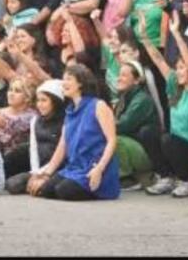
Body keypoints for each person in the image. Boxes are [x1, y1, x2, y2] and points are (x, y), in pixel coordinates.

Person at [26, 64, 120, 201]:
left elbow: (112, 140)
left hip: (94, 166)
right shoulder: (69, 110)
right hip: (75, 167)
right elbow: (62, 146)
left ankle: (97, 188)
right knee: (44, 189)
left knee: (64, 191)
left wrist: (99, 169)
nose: (64, 83)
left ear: (81, 83)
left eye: (69, 79)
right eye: (64, 79)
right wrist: (45, 174)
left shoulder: (98, 105)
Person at [140, 15, 188, 199]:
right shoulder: (173, 86)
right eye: (177, 67)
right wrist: (144, 36)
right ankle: (165, 178)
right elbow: (157, 59)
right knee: (148, 133)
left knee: (168, 140)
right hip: (174, 149)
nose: (179, 71)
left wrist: (176, 34)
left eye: (182, 67)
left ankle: (186, 181)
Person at [4, 79, 66, 194]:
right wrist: (35, 173)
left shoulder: (65, 122)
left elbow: (62, 154)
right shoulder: (35, 121)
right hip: (39, 169)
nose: (40, 104)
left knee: (50, 188)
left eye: (44, 101)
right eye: (38, 100)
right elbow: (33, 150)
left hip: (57, 168)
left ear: (55, 102)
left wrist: (44, 173)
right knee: (12, 184)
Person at [112, 59, 160, 191]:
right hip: (133, 147)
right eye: (119, 74)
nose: (119, 78)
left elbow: (122, 125)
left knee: (114, 139)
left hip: (146, 154)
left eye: (124, 75)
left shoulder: (141, 99)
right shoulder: (124, 97)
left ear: (137, 80)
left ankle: (127, 180)